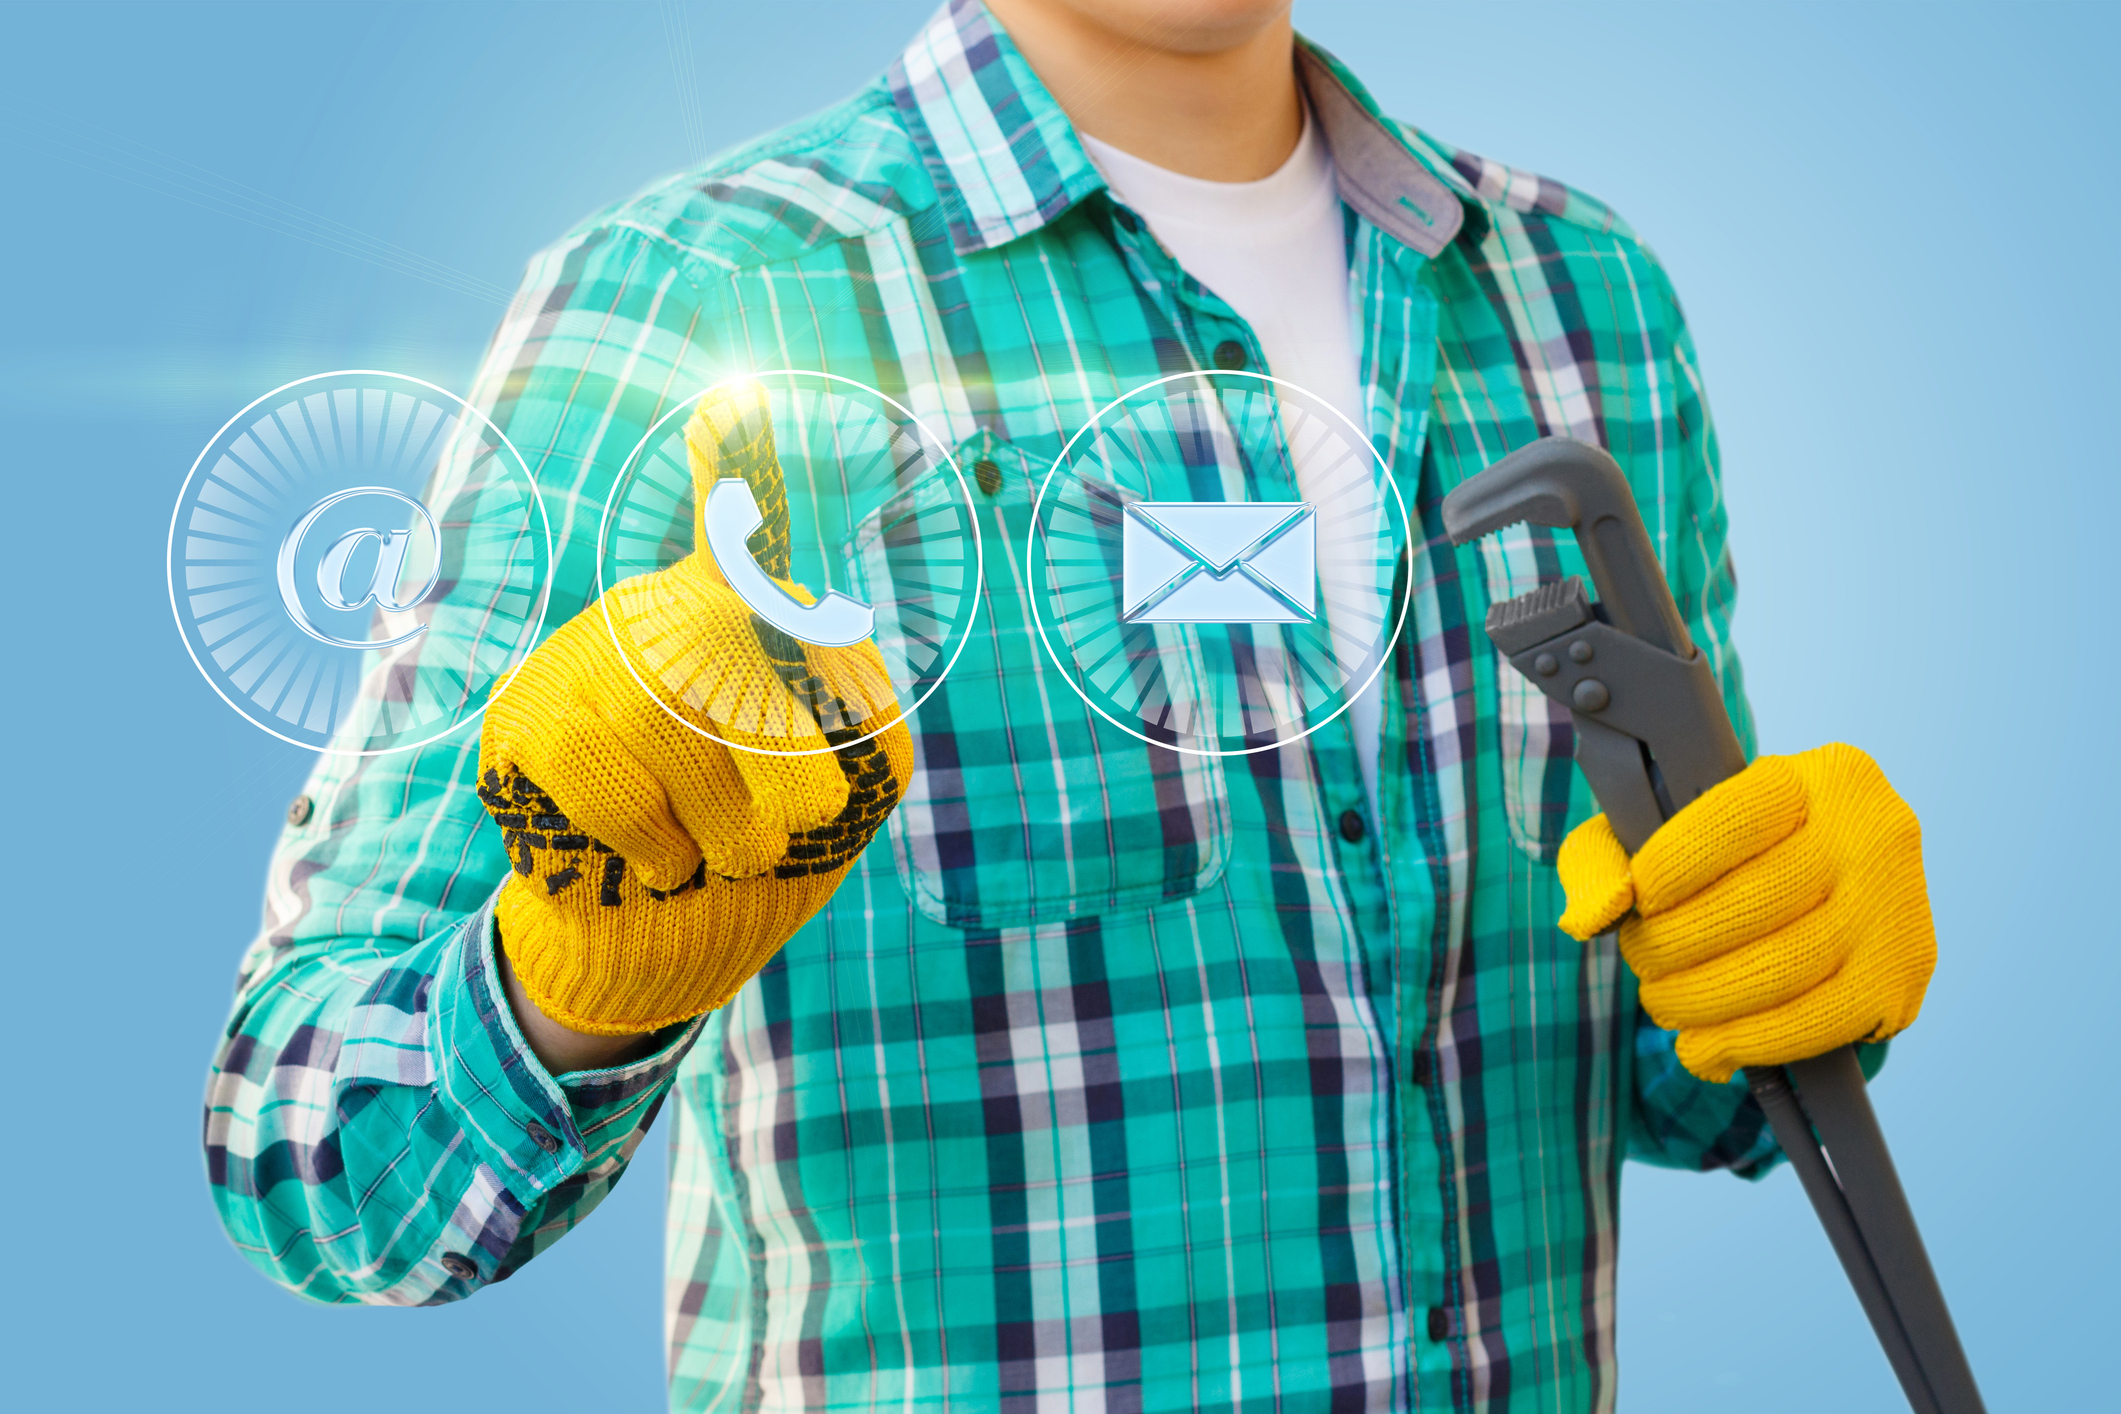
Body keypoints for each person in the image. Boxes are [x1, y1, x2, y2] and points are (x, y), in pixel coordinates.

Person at [202, 1, 1938, 1409]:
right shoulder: (695, 306)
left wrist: (1795, 959)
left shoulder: (1581, 300)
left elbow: (1677, 1074)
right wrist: (568, 984)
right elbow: (313, 1160)